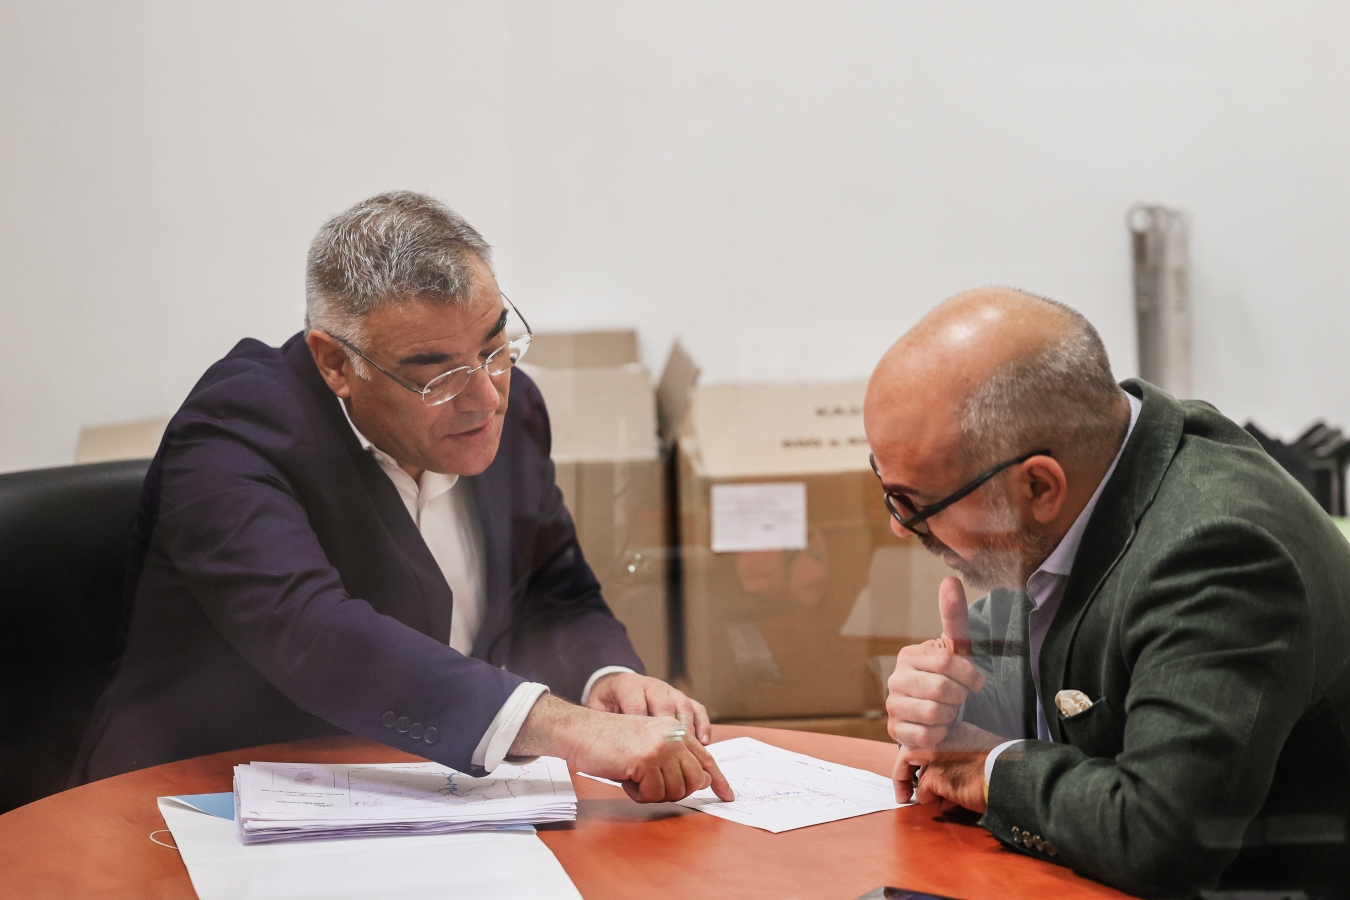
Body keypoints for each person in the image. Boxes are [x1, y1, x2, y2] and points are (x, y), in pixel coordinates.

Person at [73, 191, 732, 806]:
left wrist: (608, 680)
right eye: (438, 374)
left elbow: (555, 589)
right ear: (336, 363)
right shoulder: (235, 430)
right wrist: (574, 731)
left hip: (424, 798)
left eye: (495, 347)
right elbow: (315, 634)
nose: (486, 397)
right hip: (199, 801)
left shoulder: (512, 409)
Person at [865, 287, 1350, 897]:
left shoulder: (1219, 555)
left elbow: (1158, 838)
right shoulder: (1094, 471)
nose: (899, 526)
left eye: (912, 502)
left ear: (1039, 488)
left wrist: (990, 770)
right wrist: (945, 702)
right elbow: (1044, 654)